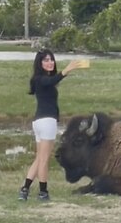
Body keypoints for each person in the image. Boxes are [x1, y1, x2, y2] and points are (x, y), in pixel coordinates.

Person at [18, 49, 81, 201]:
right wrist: (66, 70)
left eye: (51, 59)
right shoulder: (40, 79)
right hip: (47, 122)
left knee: (39, 158)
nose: (50, 62)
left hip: (39, 122)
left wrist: (63, 73)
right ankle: (43, 192)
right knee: (44, 159)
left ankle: (24, 189)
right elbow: (51, 81)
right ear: (40, 63)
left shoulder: (39, 79)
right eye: (46, 60)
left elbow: (51, 80)